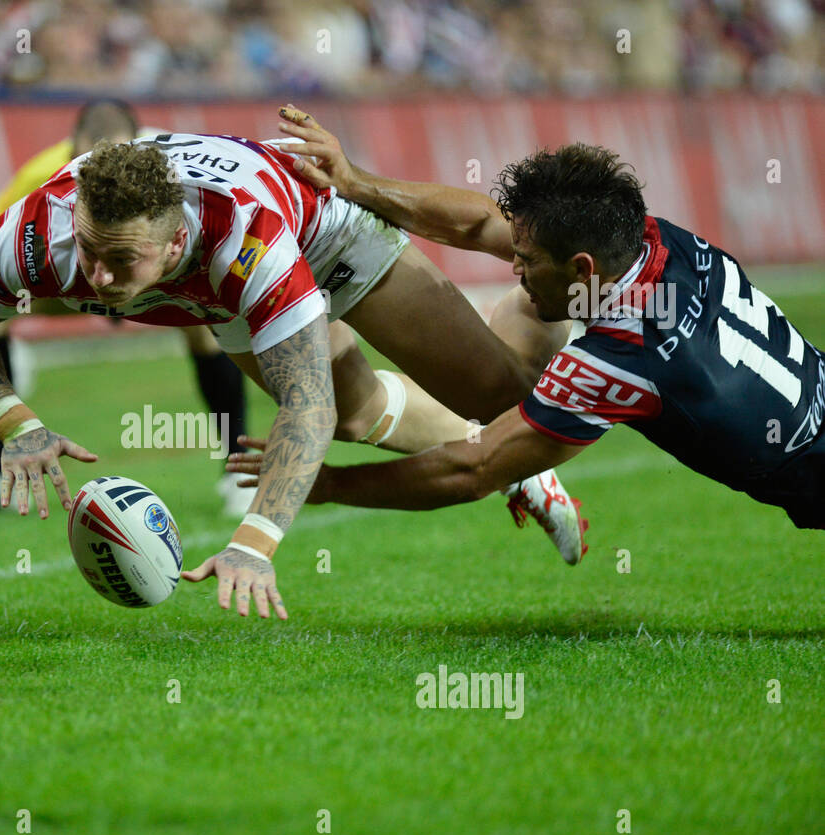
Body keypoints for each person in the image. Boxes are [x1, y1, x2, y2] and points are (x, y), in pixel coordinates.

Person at [0, 130, 588, 621]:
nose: (98, 278)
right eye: (90, 252)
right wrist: (16, 423)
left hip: (320, 227)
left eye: (122, 261)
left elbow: (306, 408)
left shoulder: (245, 238)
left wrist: (254, 544)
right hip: (214, 287)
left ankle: (537, 296)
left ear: (175, 241)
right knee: (358, 415)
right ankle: (524, 468)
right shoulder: (38, 234)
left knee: (510, 398)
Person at [226, 108, 824, 534]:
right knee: (523, 328)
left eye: (528, 260)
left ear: (582, 267)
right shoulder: (659, 240)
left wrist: (330, 486)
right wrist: (355, 183)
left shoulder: (624, 361)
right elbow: (480, 224)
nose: (513, 265)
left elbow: (475, 467)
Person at [0, 99, 253, 519]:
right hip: (84, 281)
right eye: (85, 162)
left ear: (136, 146)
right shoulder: (37, 175)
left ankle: (240, 474)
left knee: (205, 323)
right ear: (70, 151)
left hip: (152, 277)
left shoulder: (175, 158)